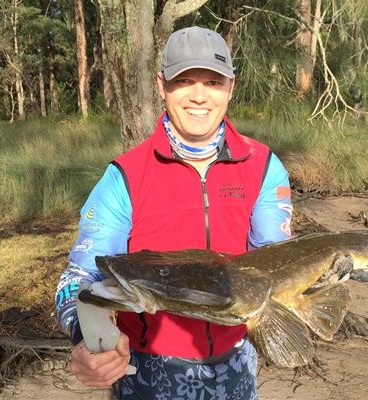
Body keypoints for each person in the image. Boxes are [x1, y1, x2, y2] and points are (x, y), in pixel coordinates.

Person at [55, 26, 292, 400]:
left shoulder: (263, 166)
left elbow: (276, 263)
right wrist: (86, 338)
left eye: (213, 82)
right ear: (161, 85)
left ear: (231, 87)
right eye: (184, 81)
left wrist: (322, 278)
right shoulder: (125, 176)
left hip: (238, 365)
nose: (199, 96)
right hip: (148, 374)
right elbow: (78, 277)